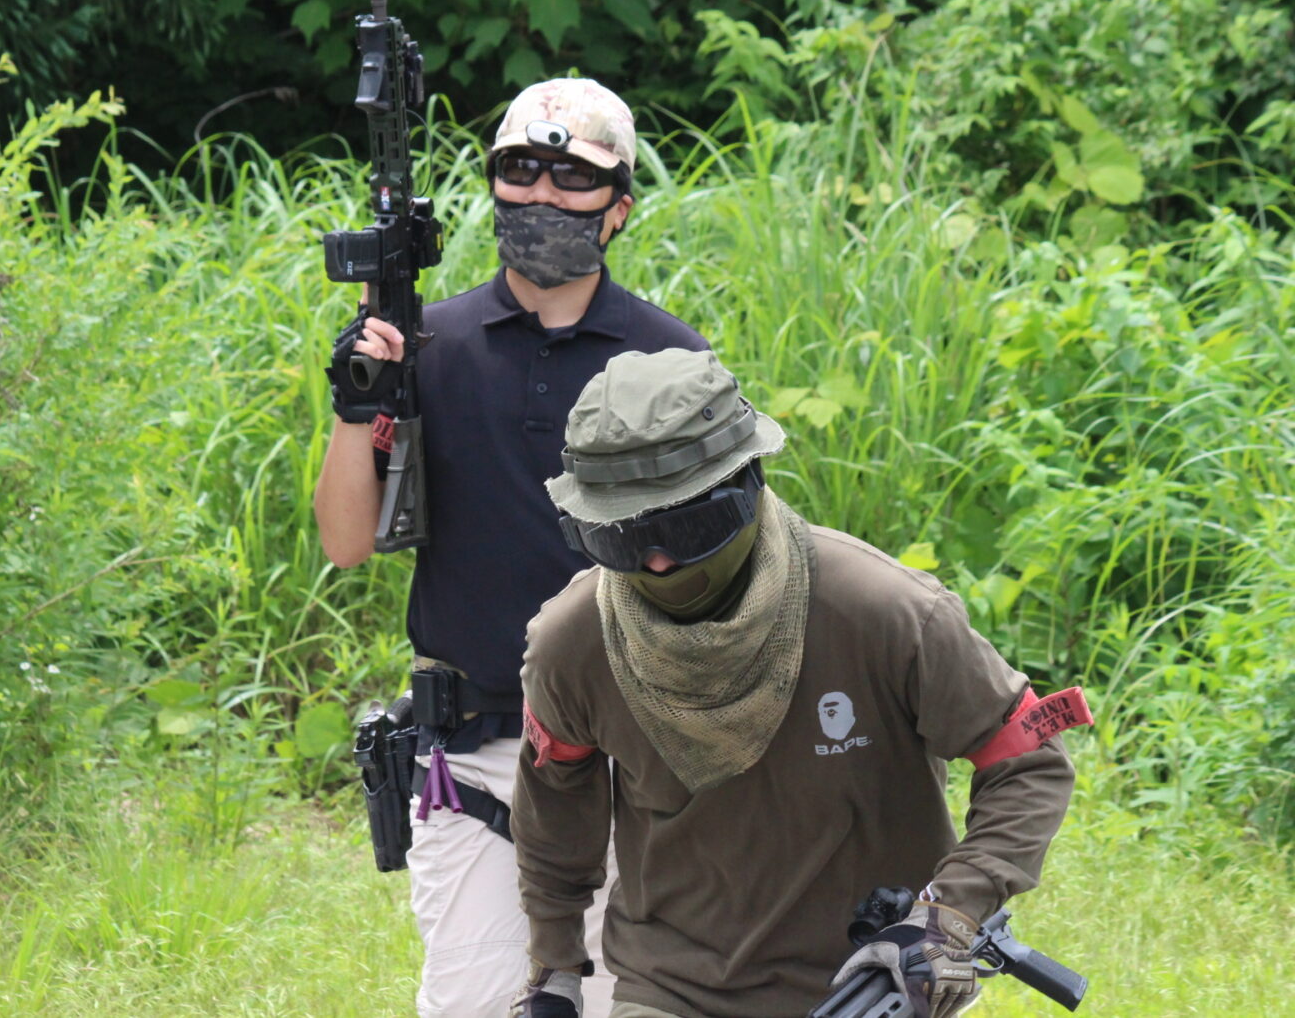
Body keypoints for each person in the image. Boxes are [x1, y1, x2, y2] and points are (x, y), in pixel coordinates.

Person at [509, 348, 1085, 1018]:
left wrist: (950, 915)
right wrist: (554, 969)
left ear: (748, 487)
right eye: (623, 539)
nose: (659, 563)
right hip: (671, 988)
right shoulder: (574, 644)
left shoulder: (885, 614)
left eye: (687, 528)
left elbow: (1028, 761)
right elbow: (554, 815)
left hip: (872, 984)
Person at [313, 78, 709, 1018]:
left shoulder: (670, 360)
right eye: (520, 169)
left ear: (618, 208)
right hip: (478, 758)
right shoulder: (428, 344)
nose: (542, 193)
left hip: (638, 758)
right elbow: (346, 541)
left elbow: (721, 564)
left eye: (573, 177)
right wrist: (358, 403)